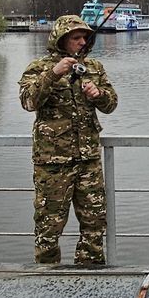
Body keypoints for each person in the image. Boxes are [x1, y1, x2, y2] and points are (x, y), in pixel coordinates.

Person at [18, 15, 118, 266]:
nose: (82, 42)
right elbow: (28, 101)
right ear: (62, 40)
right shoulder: (38, 68)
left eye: (85, 37)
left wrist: (98, 94)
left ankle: (90, 280)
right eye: (76, 38)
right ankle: (49, 283)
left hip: (89, 162)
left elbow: (111, 104)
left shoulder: (94, 67)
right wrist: (54, 73)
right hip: (52, 163)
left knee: (94, 226)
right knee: (48, 230)